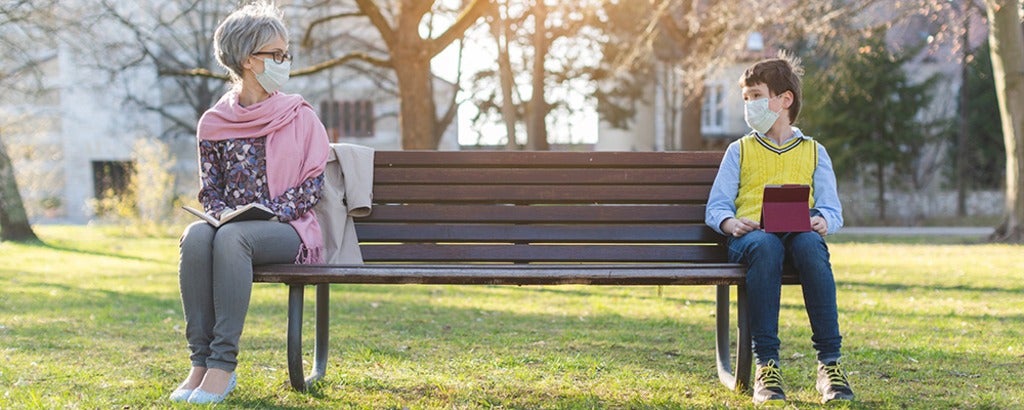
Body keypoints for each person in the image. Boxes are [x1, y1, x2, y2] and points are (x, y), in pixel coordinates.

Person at [169, 1, 329, 404]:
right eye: (274, 54)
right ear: (245, 60)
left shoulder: (300, 116)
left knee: (232, 239)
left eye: (285, 53)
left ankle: (223, 366)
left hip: (289, 229)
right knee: (196, 236)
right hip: (232, 229)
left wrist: (273, 211)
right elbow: (211, 189)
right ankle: (199, 364)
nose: (283, 61)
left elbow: (313, 187)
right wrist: (221, 214)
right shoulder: (214, 122)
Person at [705, 53, 855, 405]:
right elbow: (717, 205)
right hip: (751, 240)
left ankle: (830, 364)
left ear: (784, 100)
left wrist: (824, 221)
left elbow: (833, 209)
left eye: (756, 96)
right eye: (746, 99)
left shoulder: (814, 151)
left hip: (797, 234)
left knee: (810, 245)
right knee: (766, 246)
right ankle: (767, 365)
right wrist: (730, 223)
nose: (749, 105)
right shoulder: (738, 150)